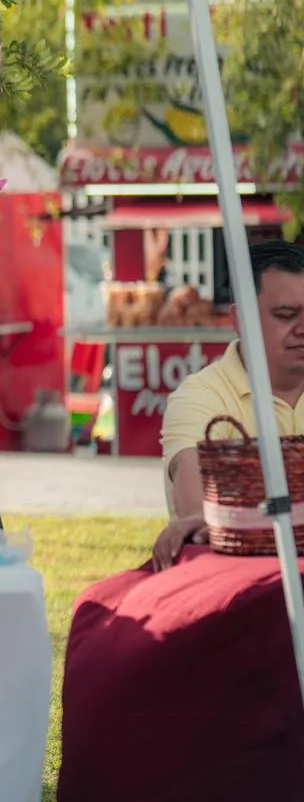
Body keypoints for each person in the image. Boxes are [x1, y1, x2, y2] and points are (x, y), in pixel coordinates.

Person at [153, 240, 304, 570]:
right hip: (236, 584)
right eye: (286, 315)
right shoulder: (201, 397)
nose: (302, 329)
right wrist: (199, 518)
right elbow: (197, 509)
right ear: (240, 319)